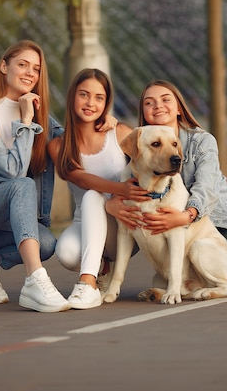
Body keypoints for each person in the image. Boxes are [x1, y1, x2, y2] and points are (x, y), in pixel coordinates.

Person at [0, 41, 116, 313]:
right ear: (4, 66)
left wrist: (106, 122)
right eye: (22, 64)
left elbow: (73, 141)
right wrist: (25, 121)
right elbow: (13, 172)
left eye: (36, 68)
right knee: (20, 184)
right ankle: (35, 281)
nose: (30, 73)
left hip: (3, 222)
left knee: (46, 243)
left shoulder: (42, 115)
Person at [107, 79, 227, 271]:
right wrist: (112, 202)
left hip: (219, 220)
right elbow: (125, 179)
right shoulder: (140, 142)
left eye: (166, 100)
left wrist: (186, 216)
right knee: (117, 228)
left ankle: (215, 273)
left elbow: (206, 187)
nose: (158, 106)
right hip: (172, 226)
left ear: (179, 109)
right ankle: (104, 272)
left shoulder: (201, 141)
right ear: (144, 113)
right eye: (149, 102)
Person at [47, 68, 148, 309]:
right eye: (84, 95)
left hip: (121, 227)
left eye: (99, 98)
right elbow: (80, 178)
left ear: (106, 103)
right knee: (67, 253)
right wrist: (118, 190)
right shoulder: (58, 146)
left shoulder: (120, 134)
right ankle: (101, 269)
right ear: (72, 97)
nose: (90, 103)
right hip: (85, 223)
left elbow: (149, 167)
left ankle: (87, 284)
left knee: (94, 196)